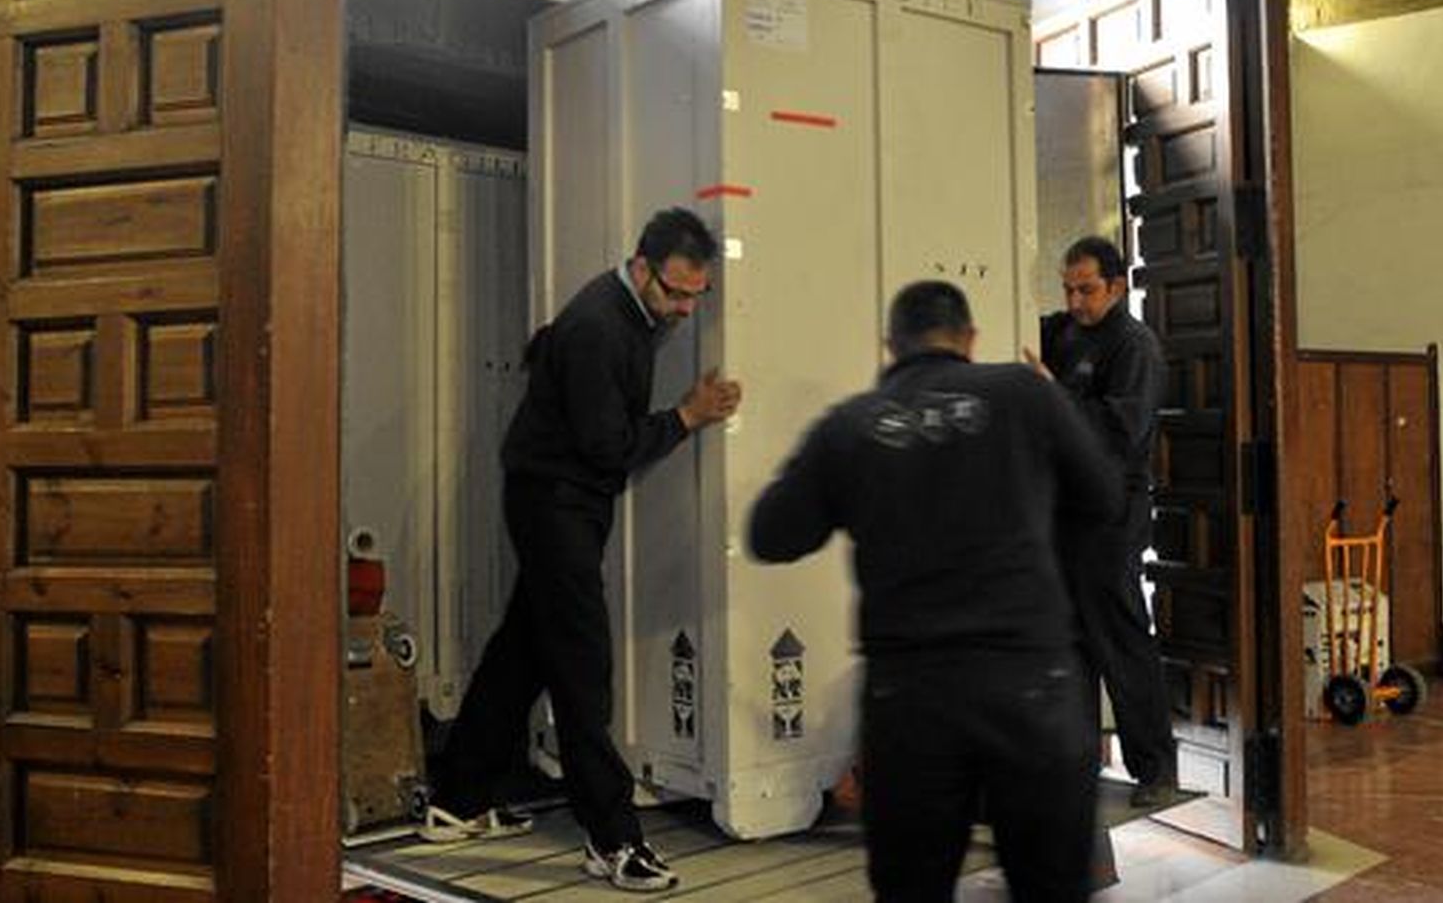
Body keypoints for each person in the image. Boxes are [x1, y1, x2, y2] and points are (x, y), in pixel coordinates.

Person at [748, 280, 1121, 903]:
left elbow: (770, 533)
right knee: (1051, 889)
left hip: (910, 697)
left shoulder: (852, 425)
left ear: (890, 346)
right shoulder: (1027, 395)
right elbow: (1105, 499)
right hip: (1031, 684)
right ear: (970, 341)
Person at [420, 207, 742, 893]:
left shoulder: (624, 316)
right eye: (675, 293)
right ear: (641, 265)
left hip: (556, 499)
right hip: (557, 503)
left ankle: (458, 799)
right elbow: (608, 446)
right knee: (581, 665)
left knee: (523, 652)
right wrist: (689, 413)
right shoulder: (601, 326)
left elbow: (555, 355)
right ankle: (614, 838)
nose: (684, 310)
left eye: (696, 295)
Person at [1026, 235, 1178, 807]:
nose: (1074, 301)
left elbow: (1122, 431)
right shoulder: (1063, 333)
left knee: (1118, 636)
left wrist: (1052, 394)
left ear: (1116, 286)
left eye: (1086, 290)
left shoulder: (1134, 346)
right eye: (1067, 289)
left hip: (1111, 509)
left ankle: (1155, 767)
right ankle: (1078, 759)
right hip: (1062, 510)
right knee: (1069, 641)